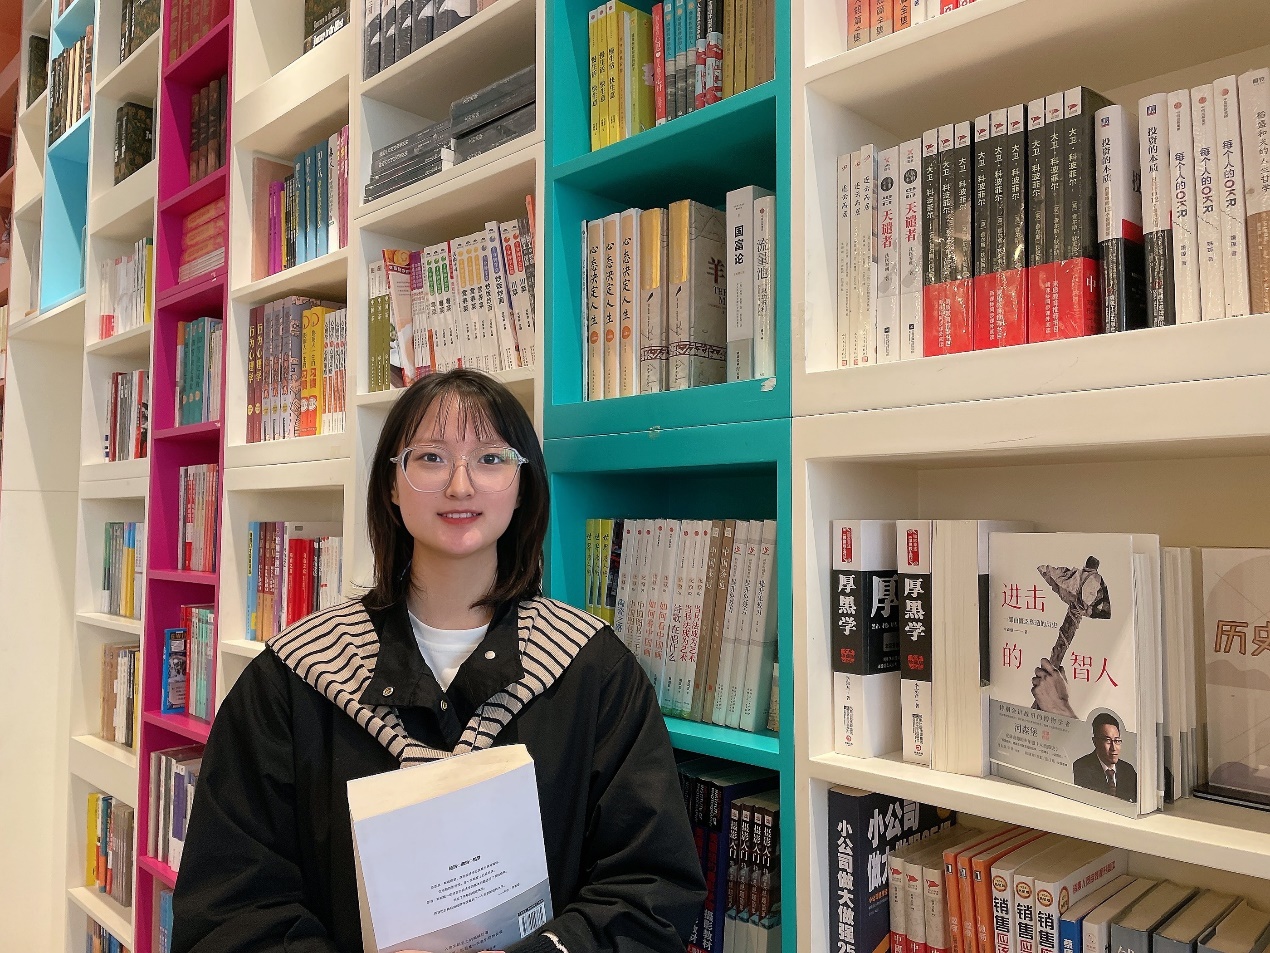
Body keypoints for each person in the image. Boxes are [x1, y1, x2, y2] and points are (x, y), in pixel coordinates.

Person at [171, 369, 707, 953]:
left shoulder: (593, 670)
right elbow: (230, 908)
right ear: (391, 485)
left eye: (491, 459)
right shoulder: (293, 677)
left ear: (523, 486)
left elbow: (651, 888)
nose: (460, 485)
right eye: (430, 458)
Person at [1072, 712, 1137, 802]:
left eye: (1117, 741)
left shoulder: (1128, 770)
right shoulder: (1082, 767)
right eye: (1107, 740)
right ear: (1095, 742)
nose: (1113, 748)